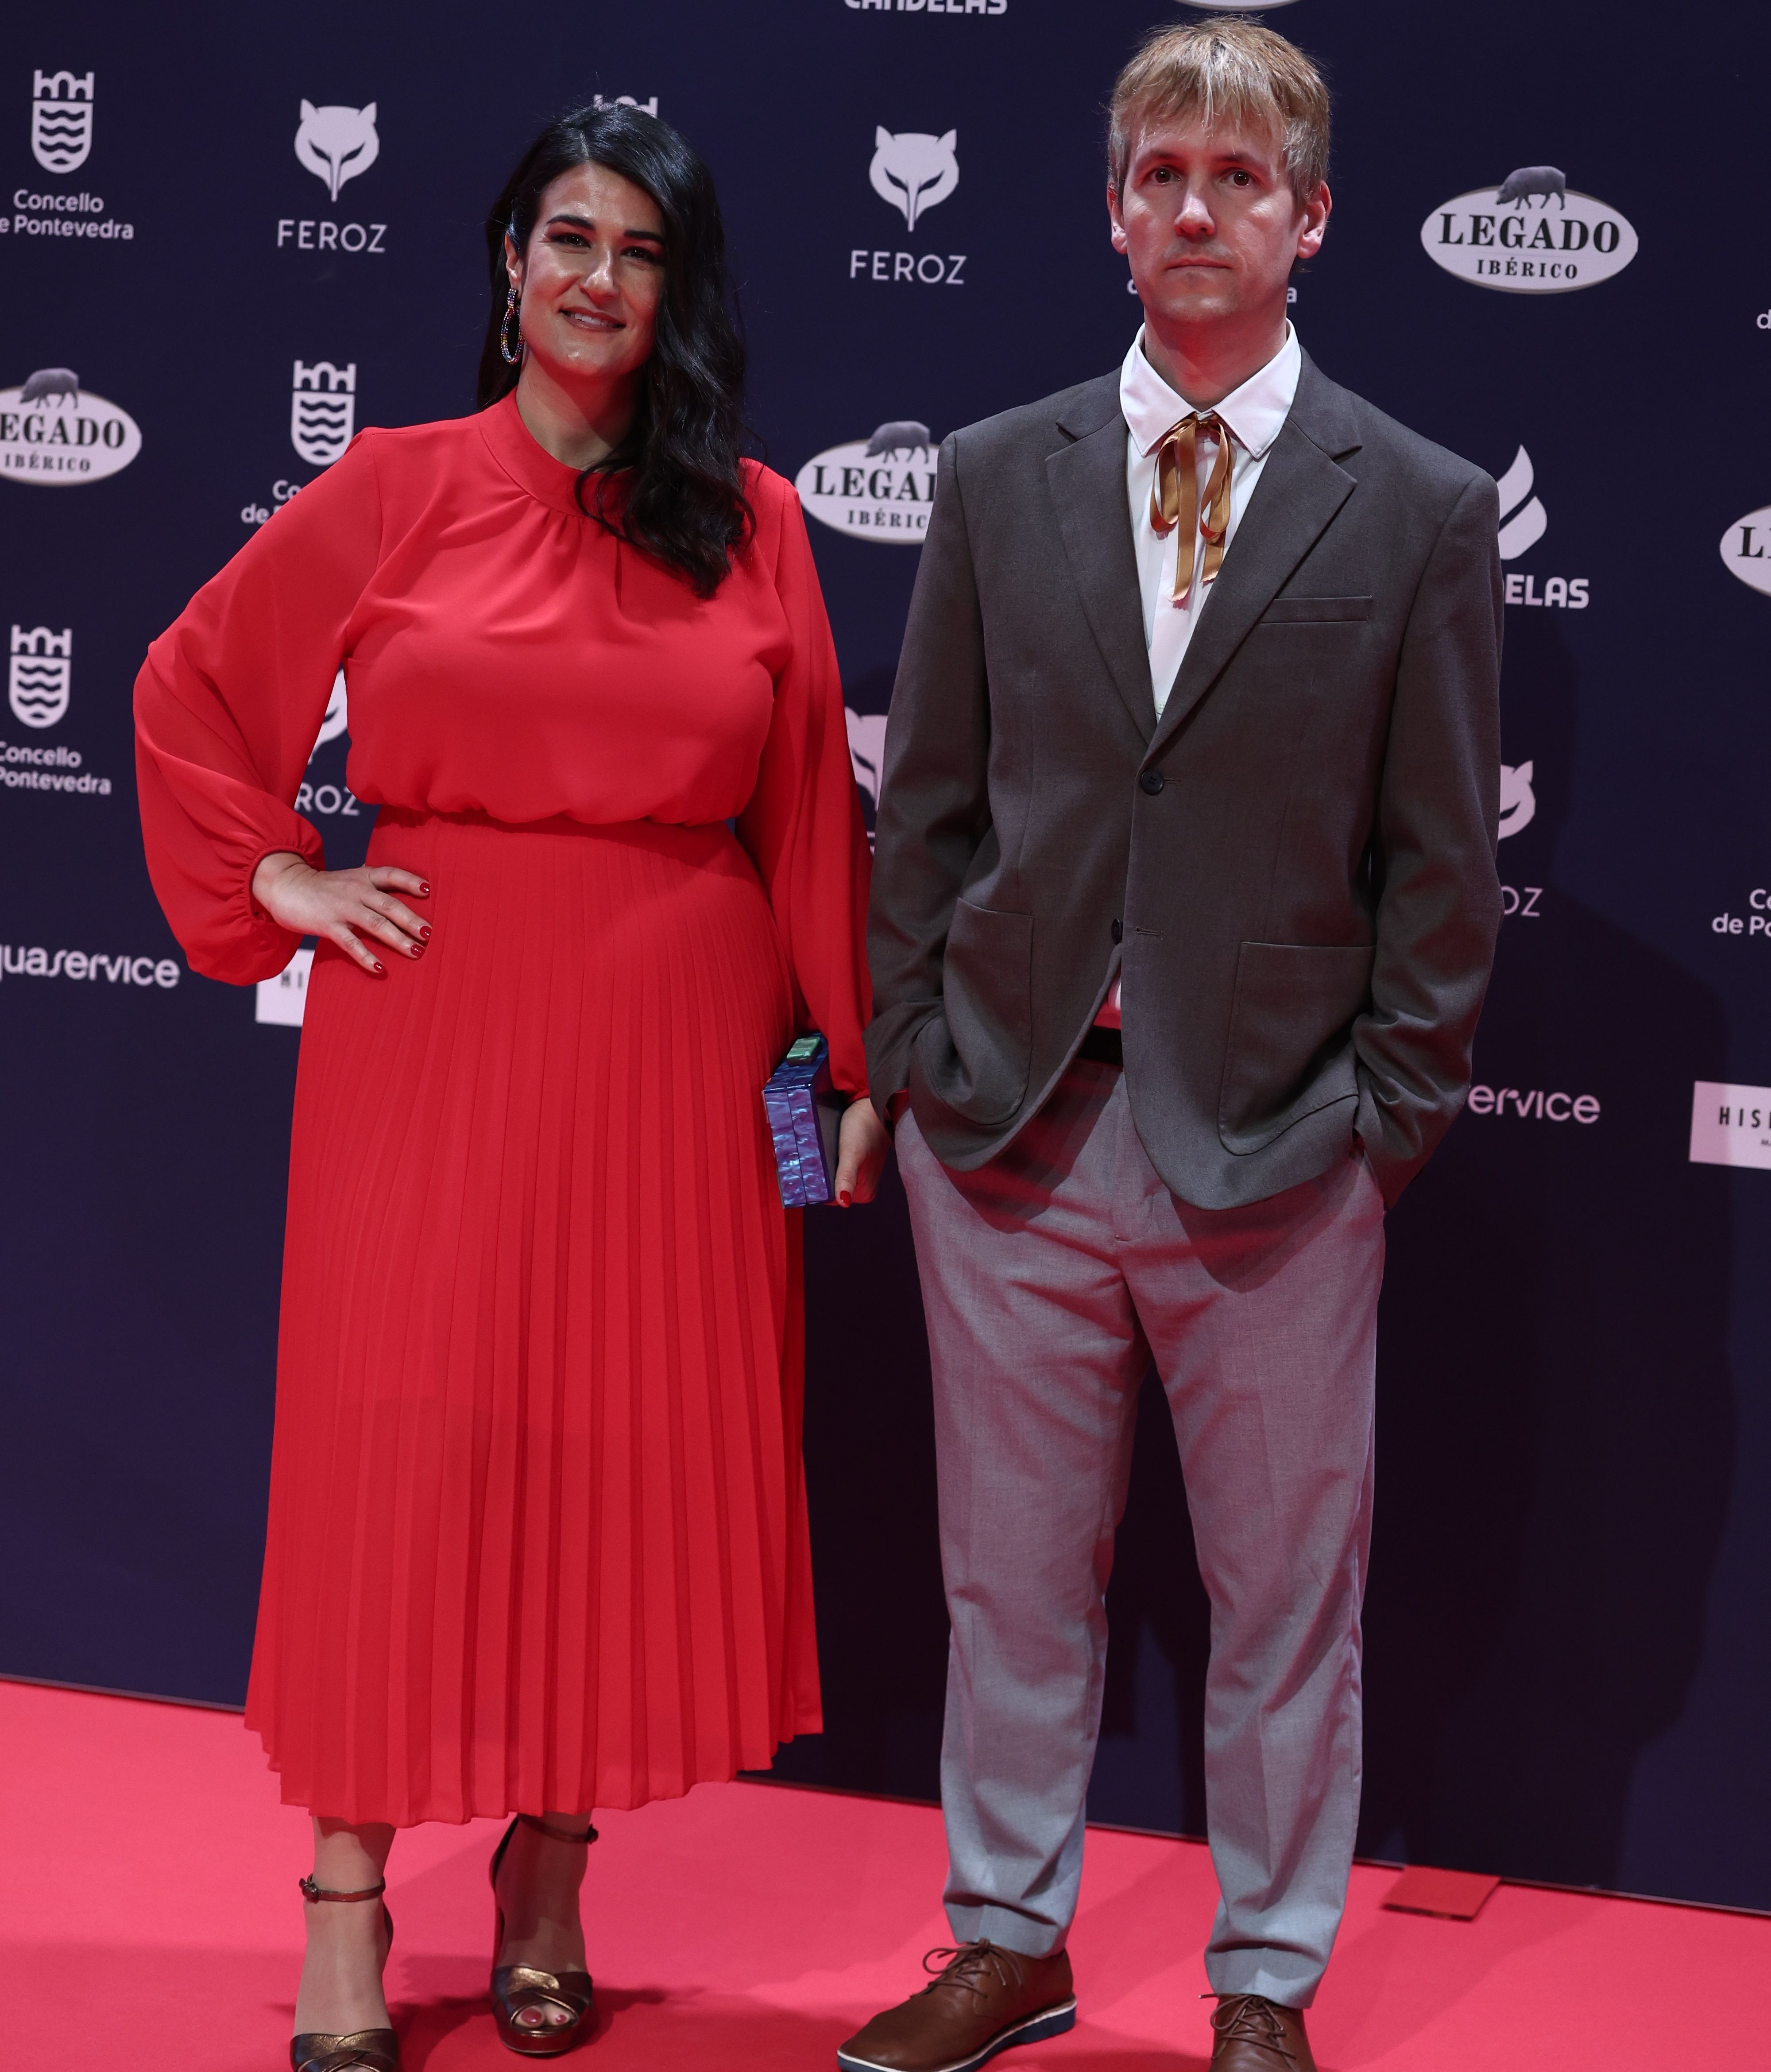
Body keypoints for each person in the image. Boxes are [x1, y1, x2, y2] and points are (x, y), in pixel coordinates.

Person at [135, 102, 888, 2072]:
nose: (598, 280)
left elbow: (810, 817)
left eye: (640, 251)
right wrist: (275, 875)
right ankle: (347, 1901)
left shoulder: (760, 519)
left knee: (625, 1454)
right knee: (405, 1455)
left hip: (686, 1056)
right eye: (568, 236)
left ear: (678, 287)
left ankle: (551, 1882)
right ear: (505, 259)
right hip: (435, 1032)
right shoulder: (395, 489)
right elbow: (189, 688)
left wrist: (850, 1079)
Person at [850, 20, 1501, 2072]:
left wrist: (1378, 1126)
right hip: (1014, 1127)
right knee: (1007, 1591)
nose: (1194, 210)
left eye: (1237, 180)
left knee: (1285, 1605)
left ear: (1311, 216)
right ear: (1110, 205)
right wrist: (913, 1059)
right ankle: (1005, 1938)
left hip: (1282, 1152)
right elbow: (928, 803)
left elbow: (1440, 862)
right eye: (1160, 175)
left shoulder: (1414, 506)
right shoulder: (989, 471)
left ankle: (1265, 1979)